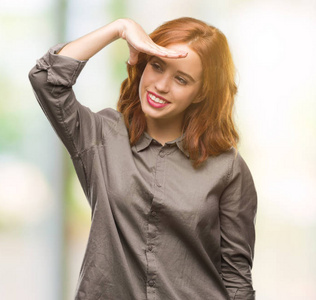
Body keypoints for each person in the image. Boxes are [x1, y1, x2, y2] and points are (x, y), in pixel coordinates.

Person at [29, 17, 257, 300]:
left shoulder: (227, 168)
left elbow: (237, 281)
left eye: (181, 79)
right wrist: (119, 28)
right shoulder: (100, 137)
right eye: (157, 66)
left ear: (200, 94)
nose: (161, 86)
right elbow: (46, 79)